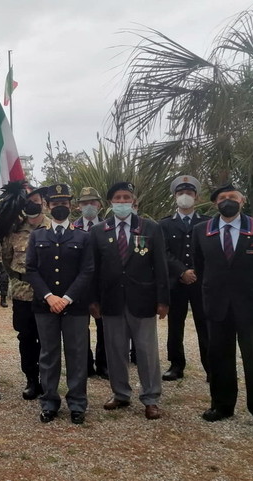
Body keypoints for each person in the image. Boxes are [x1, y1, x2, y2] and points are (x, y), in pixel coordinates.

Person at [89, 181, 169, 420]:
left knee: (146, 351)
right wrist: (93, 300)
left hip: (142, 299)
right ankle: (121, 393)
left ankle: (151, 397)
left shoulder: (150, 228)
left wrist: (163, 300)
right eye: (118, 198)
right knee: (115, 351)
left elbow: (161, 267)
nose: (122, 202)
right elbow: (93, 268)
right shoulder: (98, 231)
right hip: (111, 300)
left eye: (126, 198)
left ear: (134, 202)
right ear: (110, 203)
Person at [194, 182, 253, 433]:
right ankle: (222, 406)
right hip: (217, 305)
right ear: (215, 204)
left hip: (252, 306)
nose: (227, 200)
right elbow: (200, 268)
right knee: (220, 358)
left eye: (232, 196)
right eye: (222, 197)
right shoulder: (202, 230)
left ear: (242, 200)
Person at [26, 184, 93, 425]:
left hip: (74, 307)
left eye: (64, 203)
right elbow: (31, 269)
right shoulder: (37, 236)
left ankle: (77, 403)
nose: (60, 207)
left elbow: (87, 271)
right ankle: (49, 402)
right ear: (47, 206)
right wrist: (49, 297)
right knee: (48, 356)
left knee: (76, 356)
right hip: (45, 307)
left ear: (71, 205)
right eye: (55, 203)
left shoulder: (83, 237)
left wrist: (66, 298)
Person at [0, 183, 50, 400]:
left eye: (36, 202)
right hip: (22, 295)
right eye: (28, 202)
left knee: (48, 339)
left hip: (48, 294)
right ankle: (31, 379)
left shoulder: (53, 227)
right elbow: (8, 262)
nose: (32, 206)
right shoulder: (15, 231)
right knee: (26, 338)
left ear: (44, 204)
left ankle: (48, 380)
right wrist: (19, 281)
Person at [159, 176, 210, 381]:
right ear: (175, 197)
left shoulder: (206, 222)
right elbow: (163, 252)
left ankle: (210, 366)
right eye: (180, 193)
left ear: (196, 197)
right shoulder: (164, 224)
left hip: (201, 283)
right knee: (175, 325)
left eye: (189, 193)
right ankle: (176, 365)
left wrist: (194, 272)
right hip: (176, 283)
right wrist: (182, 271)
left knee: (204, 325)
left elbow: (209, 251)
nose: (185, 197)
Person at [73, 186, 108, 379]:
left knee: (104, 328)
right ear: (78, 206)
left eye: (92, 202)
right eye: (84, 203)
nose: (89, 206)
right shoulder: (72, 228)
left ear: (100, 205)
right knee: (80, 328)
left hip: (102, 286)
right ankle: (85, 364)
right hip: (79, 287)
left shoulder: (108, 227)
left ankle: (104, 364)